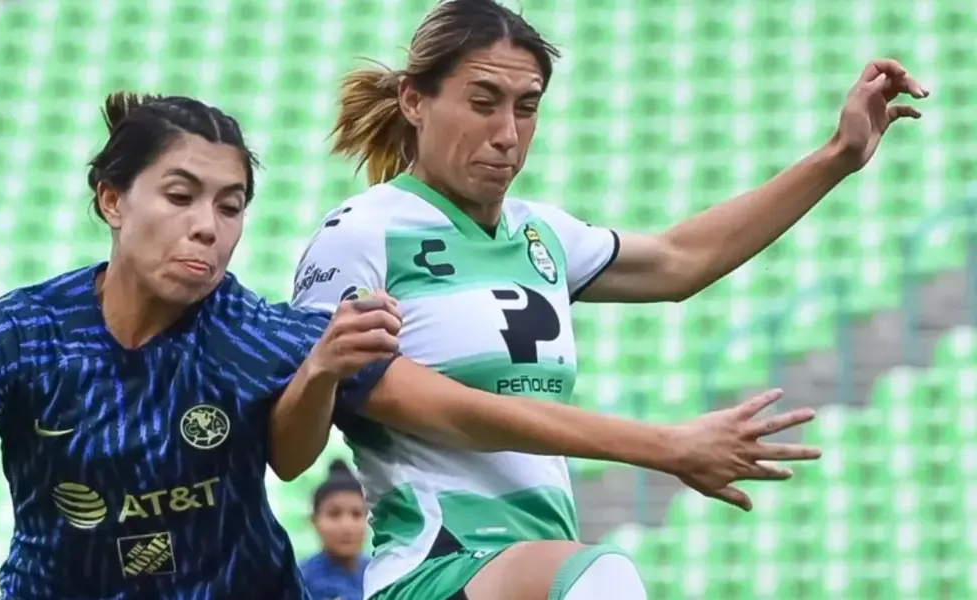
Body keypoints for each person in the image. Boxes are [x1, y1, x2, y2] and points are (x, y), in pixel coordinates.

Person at [292, 0, 930, 599]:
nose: (507, 133)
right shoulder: (362, 235)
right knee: (603, 578)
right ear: (414, 100)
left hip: (538, 570)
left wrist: (838, 156)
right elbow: (436, 405)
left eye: (527, 107)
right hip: (434, 568)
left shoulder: (541, 234)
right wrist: (661, 445)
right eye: (482, 102)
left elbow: (681, 260)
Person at [0, 92, 405, 600]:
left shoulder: (256, 331)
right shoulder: (20, 334)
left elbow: (292, 460)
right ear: (112, 200)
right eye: (179, 196)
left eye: (230, 206)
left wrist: (319, 373)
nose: (206, 227)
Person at [300, 460, 369, 600]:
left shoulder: (381, 574)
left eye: (356, 514)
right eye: (334, 514)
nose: (346, 526)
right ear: (314, 521)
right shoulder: (299, 579)